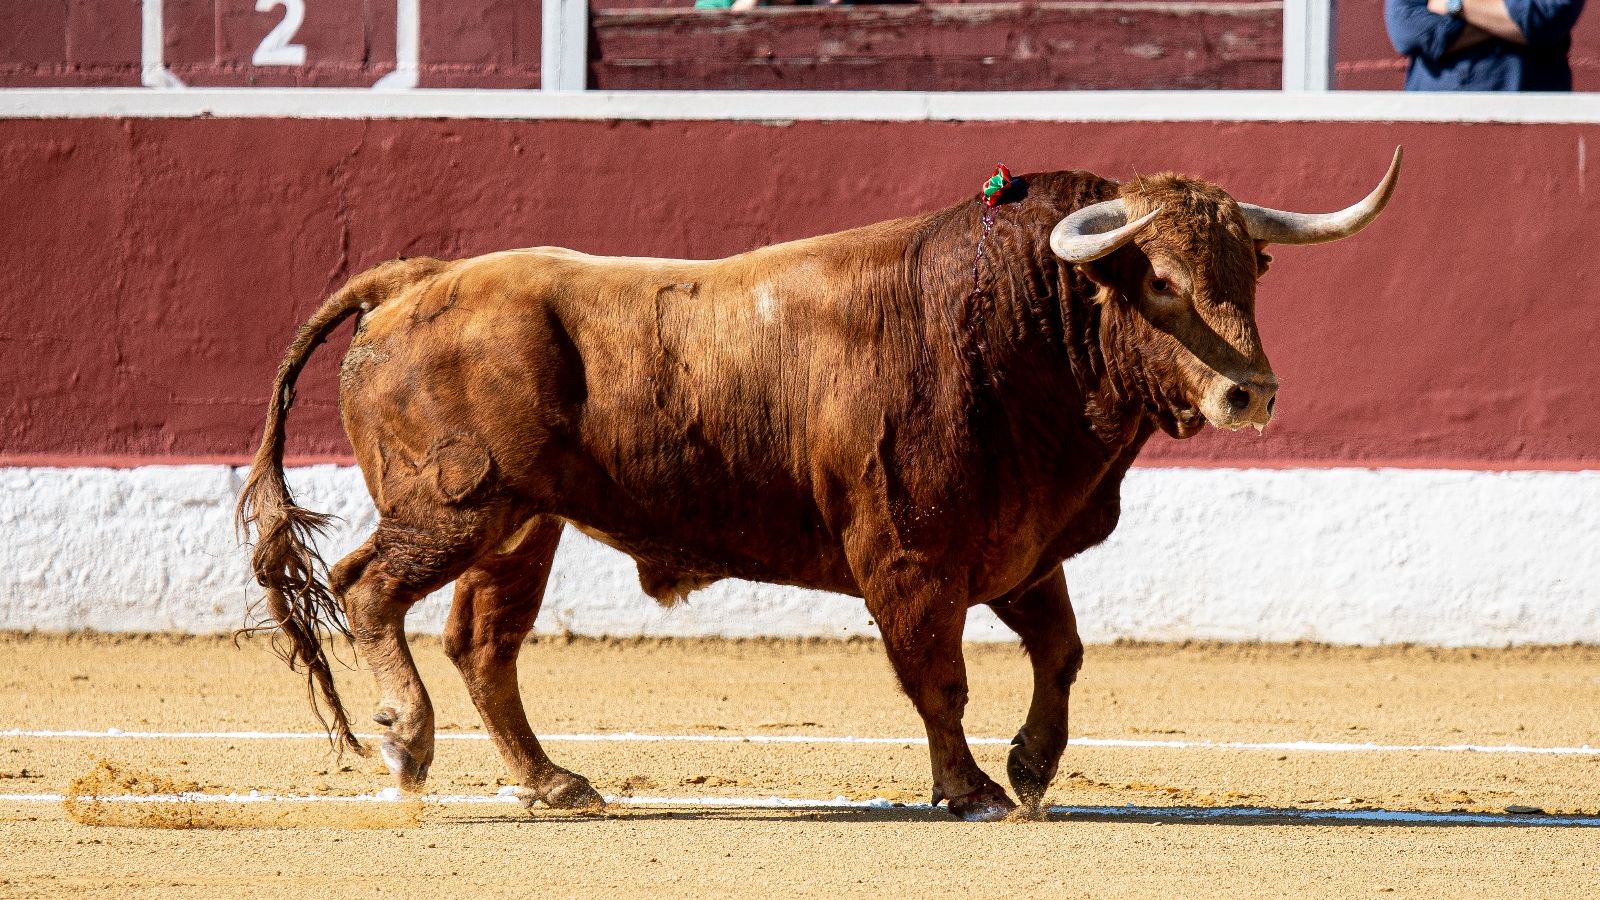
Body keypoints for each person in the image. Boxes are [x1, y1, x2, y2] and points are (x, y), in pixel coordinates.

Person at [1385, 0, 1585, 89]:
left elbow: (1551, 14)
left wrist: (1454, 5)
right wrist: (1514, 19)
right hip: (1435, 125)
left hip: (1526, 121)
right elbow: (1406, 26)